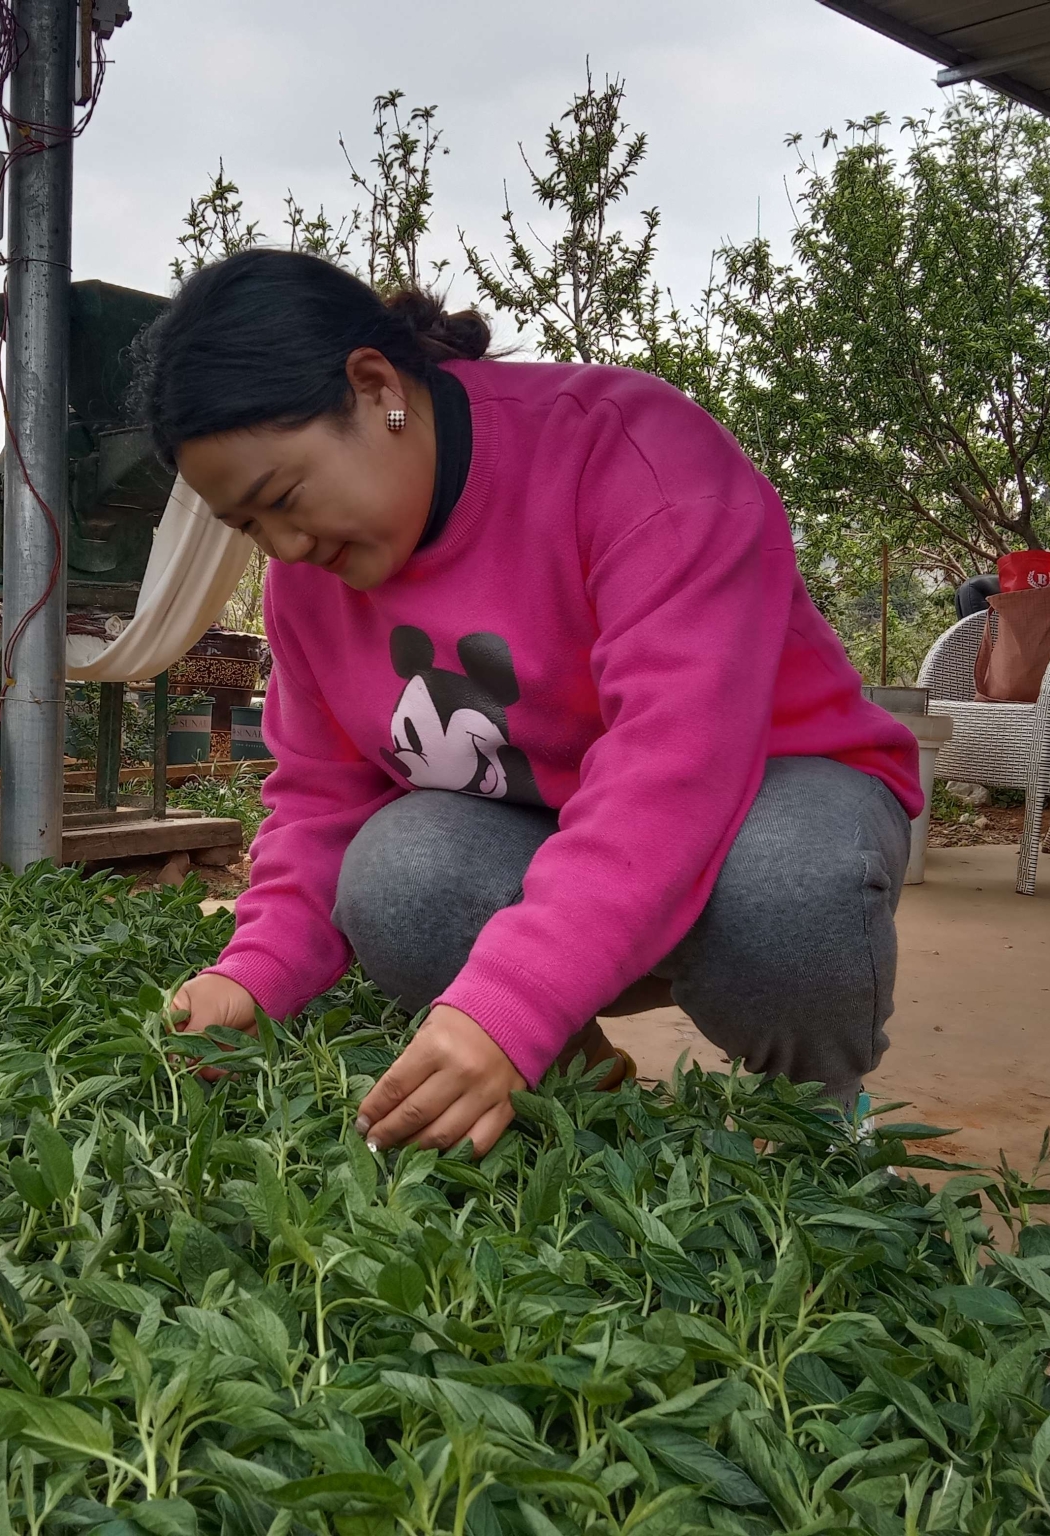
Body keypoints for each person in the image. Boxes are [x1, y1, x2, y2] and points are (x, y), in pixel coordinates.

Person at [136, 250, 921, 1158]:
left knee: (784, 878)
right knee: (398, 874)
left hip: (767, 803)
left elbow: (673, 772)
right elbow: (322, 802)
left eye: (283, 498)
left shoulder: (638, 458)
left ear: (376, 387)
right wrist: (254, 973)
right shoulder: (307, 586)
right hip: (549, 839)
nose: (286, 545)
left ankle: (816, 1120)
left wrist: (511, 1004)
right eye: (248, 527)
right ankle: (585, 1092)